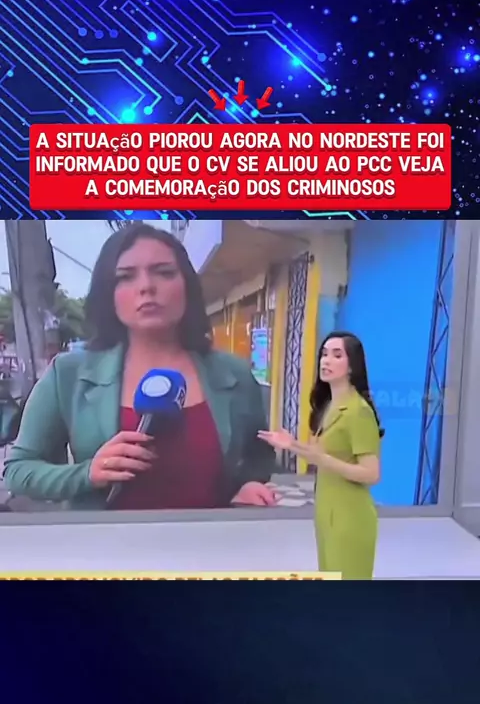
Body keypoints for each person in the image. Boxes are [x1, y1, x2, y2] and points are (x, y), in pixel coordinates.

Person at [4, 223, 276, 511]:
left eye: (164, 272)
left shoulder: (234, 374)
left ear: (187, 285)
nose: (146, 286)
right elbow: (18, 471)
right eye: (126, 277)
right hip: (104, 540)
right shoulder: (68, 374)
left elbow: (258, 457)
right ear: (108, 293)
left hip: (210, 538)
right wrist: (87, 473)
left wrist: (246, 487)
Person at [258, 332, 383, 579]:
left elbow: (371, 473)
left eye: (337, 355)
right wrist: (292, 445)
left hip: (350, 516)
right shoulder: (329, 406)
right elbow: (319, 455)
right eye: (324, 354)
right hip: (326, 512)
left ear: (352, 366)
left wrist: (325, 461)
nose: (326, 361)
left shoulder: (358, 412)